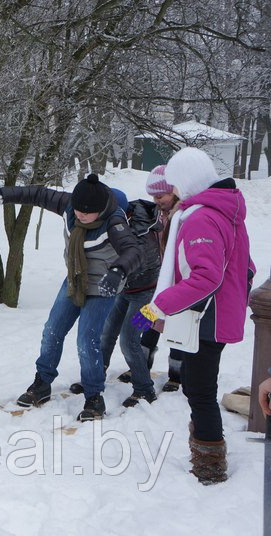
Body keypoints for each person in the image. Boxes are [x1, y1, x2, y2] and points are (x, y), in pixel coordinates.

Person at [131, 147, 255, 485]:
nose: (170, 191)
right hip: (216, 314)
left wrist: (156, 308)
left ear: (184, 182)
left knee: (199, 391)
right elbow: (247, 266)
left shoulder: (201, 216)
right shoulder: (225, 210)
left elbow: (205, 277)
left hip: (206, 320)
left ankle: (210, 464)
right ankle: (206, 451)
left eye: (173, 183)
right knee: (198, 387)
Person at [0, 174, 141, 421]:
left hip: (103, 286)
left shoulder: (115, 221)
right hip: (75, 280)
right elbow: (37, 194)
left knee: (87, 341)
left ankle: (94, 397)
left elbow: (133, 251)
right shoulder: (70, 206)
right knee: (52, 330)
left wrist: (118, 271)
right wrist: (2, 195)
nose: (81, 216)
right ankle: (42, 384)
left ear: (101, 211)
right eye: (78, 210)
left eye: (88, 213)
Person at [70, 186, 162, 407]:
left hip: (148, 296)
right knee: (106, 334)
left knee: (129, 340)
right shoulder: (118, 225)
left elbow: (137, 262)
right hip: (124, 291)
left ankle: (144, 388)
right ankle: (95, 377)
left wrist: (113, 269)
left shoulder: (140, 232)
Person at [139, 165, 183, 393]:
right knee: (144, 321)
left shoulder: (183, 215)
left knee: (177, 328)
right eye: (153, 197)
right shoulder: (157, 215)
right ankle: (140, 365)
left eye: (160, 195)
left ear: (174, 192)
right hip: (156, 282)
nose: (156, 200)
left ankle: (176, 374)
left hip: (177, 283)